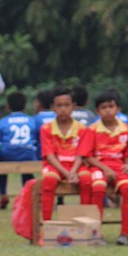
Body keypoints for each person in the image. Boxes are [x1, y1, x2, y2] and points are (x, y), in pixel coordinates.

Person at [82, 89, 128, 245]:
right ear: (97, 111)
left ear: (118, 109)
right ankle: (96, 234)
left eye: (111, 106)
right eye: (103, 107)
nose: (108, 110)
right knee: (98, 188)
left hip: (119, 167)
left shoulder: (127, 130)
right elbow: (87, 156)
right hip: (98, 167)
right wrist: (105, 169)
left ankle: (124, 234)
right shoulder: (92, 130)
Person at [40, 87, 91, 222]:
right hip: (56, 166)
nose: (63, 109)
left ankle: (85, 223)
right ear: (52, 107)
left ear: (74, 106)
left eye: (67, 105)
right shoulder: (46, 129)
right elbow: (50, 156)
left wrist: (73, 171)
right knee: (48, 181)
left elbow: (81, 154)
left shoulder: (81, 128)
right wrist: (66, 173)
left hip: (76, 166)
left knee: (86, 180)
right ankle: (47, 225)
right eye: (59, 105)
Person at [0, 91, 40, 193]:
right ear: (24, 106)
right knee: (28, 171)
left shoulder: (3, 121)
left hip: (8, 155)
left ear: (8, 106)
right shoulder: (31, 120)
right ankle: (29, 193)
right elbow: (35, 140)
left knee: (1, 167)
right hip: (28, 154)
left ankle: (3, 194)